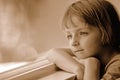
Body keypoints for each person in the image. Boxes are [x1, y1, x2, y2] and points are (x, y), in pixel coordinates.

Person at [46, 0, 120, 80]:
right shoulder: (93, 52)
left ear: (107, 31)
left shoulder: (117, 67)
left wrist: (91, 67)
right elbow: (52, 53)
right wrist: (78, 69)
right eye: (69, 36)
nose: (73, 42)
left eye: (83, 33)